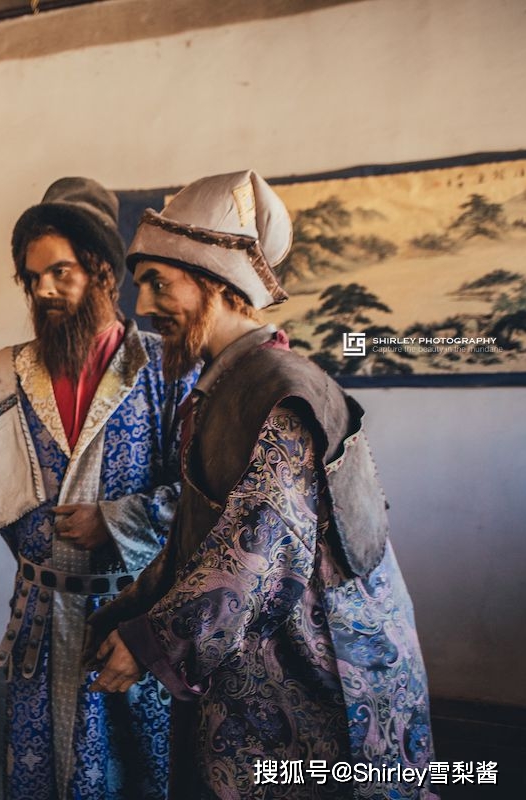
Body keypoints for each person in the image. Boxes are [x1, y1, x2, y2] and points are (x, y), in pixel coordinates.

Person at [87, 170, 436, 799]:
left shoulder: (278, 391)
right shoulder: (227, 384)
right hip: (268, 658)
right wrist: (131, 613)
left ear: (217, 284)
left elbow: (256, 551)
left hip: (327, 669)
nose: (143, 307)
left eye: (160, 283)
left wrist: (151, 643)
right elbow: (199, 536)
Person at [0, 177, 196, 799]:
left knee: (135, 772)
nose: (43, 290)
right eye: (32, 277)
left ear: (102, 272)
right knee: (40, 773)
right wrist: (44, 554)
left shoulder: (165, 367)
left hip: (130, 616)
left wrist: (114, 520)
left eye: (59, 272)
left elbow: (204, 496)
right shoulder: (9, 371)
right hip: (39, 616)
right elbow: (0, 490)